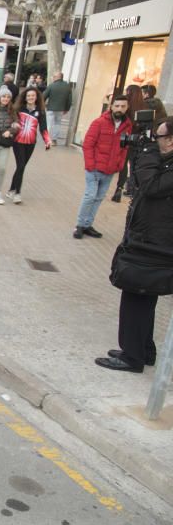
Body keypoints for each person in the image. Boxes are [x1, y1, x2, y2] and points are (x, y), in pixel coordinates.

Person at [96, 116, 173, 372]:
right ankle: (143, 350)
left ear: (171, 141)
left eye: (158, 137)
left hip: (154, 246)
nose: (154, 141)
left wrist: (147, 152)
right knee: (144, 300)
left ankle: (132, 357)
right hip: (152, 243)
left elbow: (151, 186)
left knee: (135, 299)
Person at [73, 94, 132, 239]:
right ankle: (80, 225)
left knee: (99, 197)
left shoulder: (127, 126)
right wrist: (90, 164)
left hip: (110, 169)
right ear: (111, 106)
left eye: (123, 106)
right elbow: (88, 145)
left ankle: (88, 224)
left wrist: (120, 164)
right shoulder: (99, 122)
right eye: (117, 106)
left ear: (127, 108)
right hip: (94, 168)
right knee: (90, 196)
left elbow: (125, 148)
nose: (119, 109)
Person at [5, 87, 51, 204]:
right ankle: (17, 193)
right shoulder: (19, 108)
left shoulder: (40, 111)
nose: (31, 98)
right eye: (29, 96)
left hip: (31, 143)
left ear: (37, 97)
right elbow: (11, 121)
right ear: (25, 97)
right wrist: (11, 129)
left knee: (21, 167)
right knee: (21, 166)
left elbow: (43, 128)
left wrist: (47, 140)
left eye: (33, 96)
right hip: (18, 142)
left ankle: (11, 189)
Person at [112, 85, 150, 202]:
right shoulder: (144, 106)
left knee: (123, 164)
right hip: (137, 140)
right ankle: (130, 188)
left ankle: (119, 187)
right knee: (133, 165)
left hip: (125, 137)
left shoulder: (126, 105)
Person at [43, 72, 72, 146]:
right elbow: (69, 100)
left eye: (54, 76)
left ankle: (47, 140)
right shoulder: (67, 86)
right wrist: (67, 109)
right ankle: (54, 140)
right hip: (61, 109)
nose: (53, 78)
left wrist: (41, 104)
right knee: (57, 124)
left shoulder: (51, 85)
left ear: (57, 77)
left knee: (49, 124)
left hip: (51, 108)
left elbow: (44, 96)